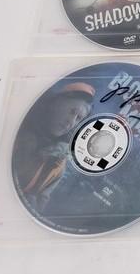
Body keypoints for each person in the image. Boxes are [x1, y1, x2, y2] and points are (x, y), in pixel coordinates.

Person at [12, 81, 96, 210]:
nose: (71, 121)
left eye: (78, 118)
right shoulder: (18, 122)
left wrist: (34, 204)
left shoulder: (58, 164)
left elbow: (42, 201)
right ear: (57, 103)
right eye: (71, 111)